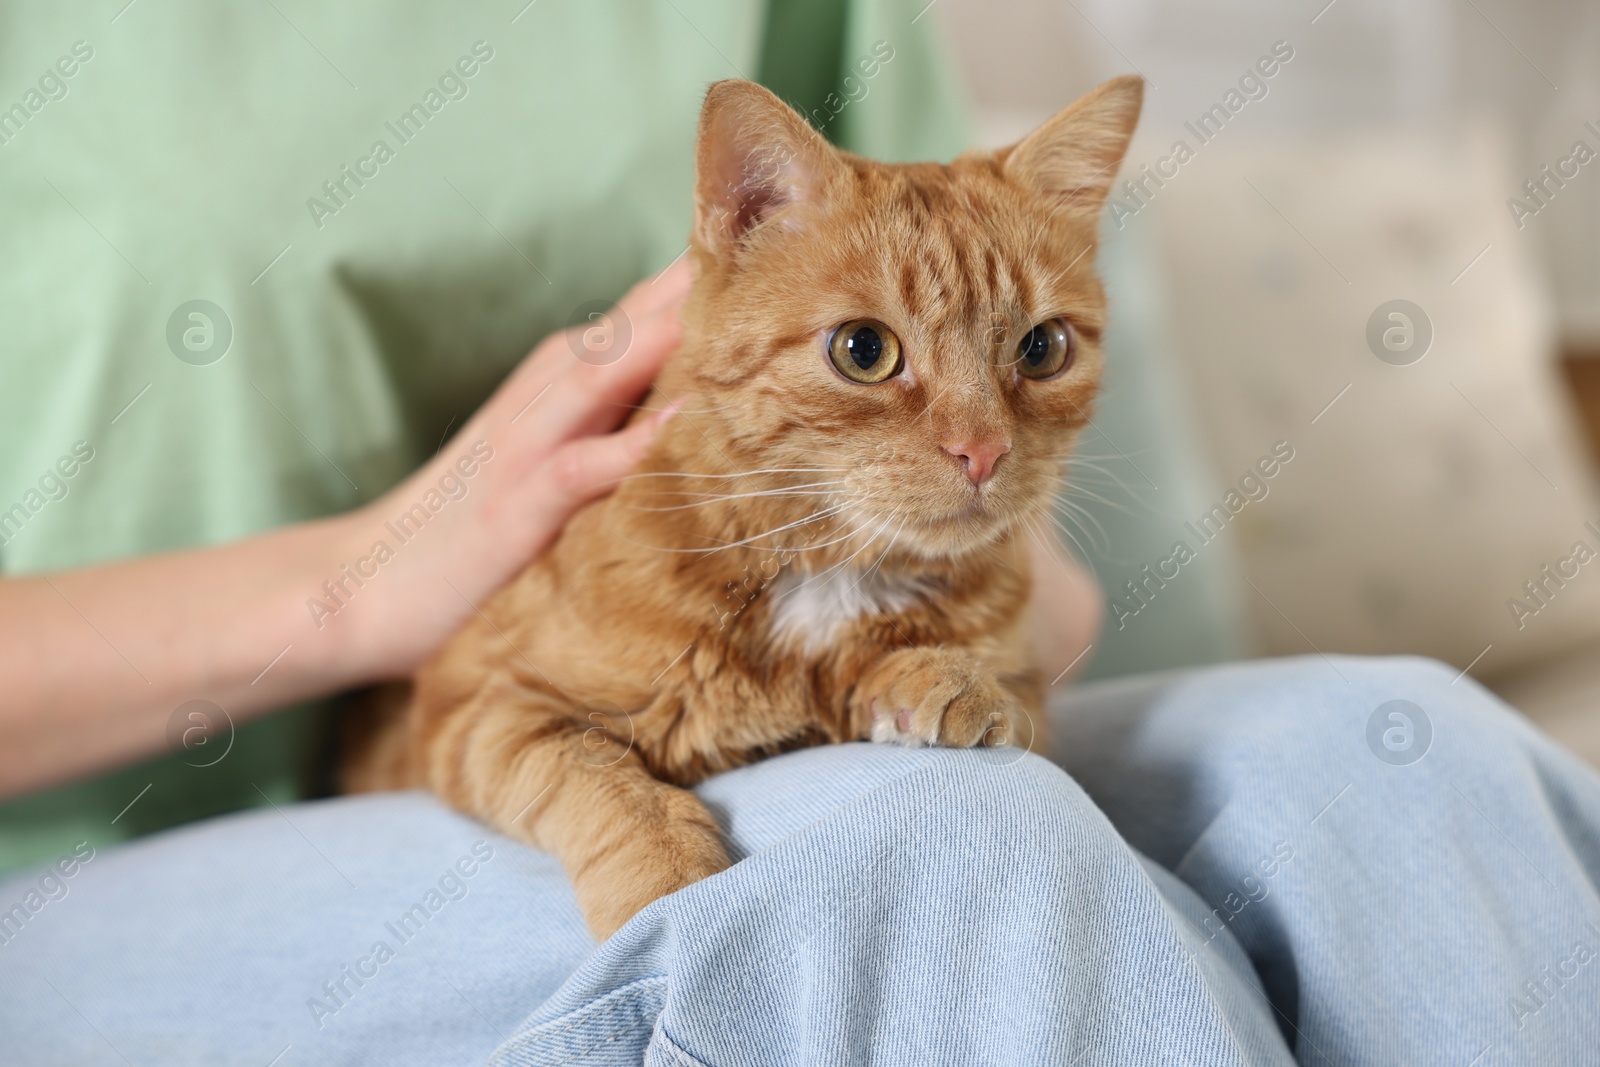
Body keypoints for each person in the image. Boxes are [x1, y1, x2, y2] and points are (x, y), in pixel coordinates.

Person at [2, 3, 1597, 1064]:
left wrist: (997, 607)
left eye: (1041, 360)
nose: (978, 422)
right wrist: (358, 586)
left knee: (1396, 755)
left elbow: (959, 322)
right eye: (868, 355)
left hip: (858, 574)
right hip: (111, 849)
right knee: (958, 851)